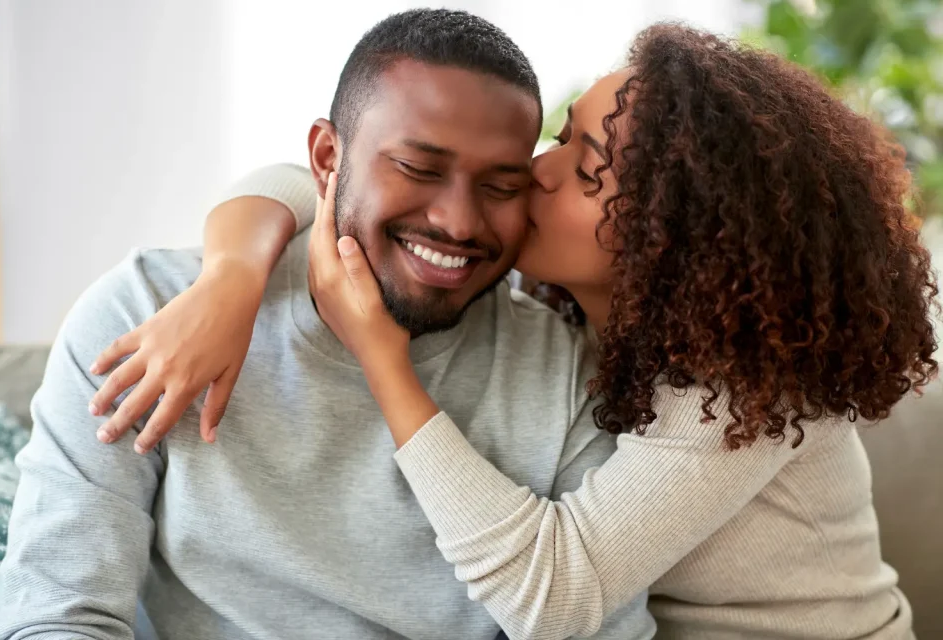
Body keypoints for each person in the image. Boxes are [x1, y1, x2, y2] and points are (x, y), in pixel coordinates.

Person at [87, 23, 935, 640]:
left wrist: (383, 357)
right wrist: (231, 279)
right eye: (562, 136)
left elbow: (553, 595)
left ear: (666, 236)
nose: (539, 170)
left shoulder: (738, 387)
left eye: (586, 170)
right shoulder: (580, 298)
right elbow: (318, 175)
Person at [0, 9, 655, 640]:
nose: (457, 222)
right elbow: (55, 612)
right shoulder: (147, 312)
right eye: (419, 169)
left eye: (502, 186)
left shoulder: (565, 376)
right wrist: (233, 274)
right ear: (327, 159)